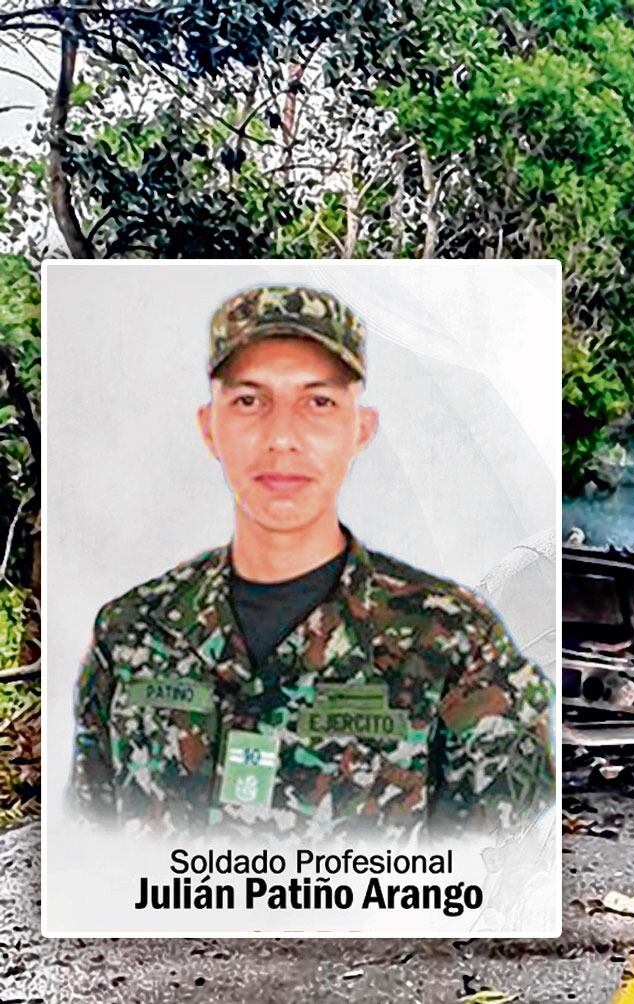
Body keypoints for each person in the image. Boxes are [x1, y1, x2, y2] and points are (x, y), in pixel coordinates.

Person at [69, 285, 554, 838]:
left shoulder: (454, 640)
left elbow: (500, 853)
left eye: (318, 403)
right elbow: (93, 841)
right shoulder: (129, 634)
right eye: (249, 401)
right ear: (210, 427)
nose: (282, 438)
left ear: (360, 430)